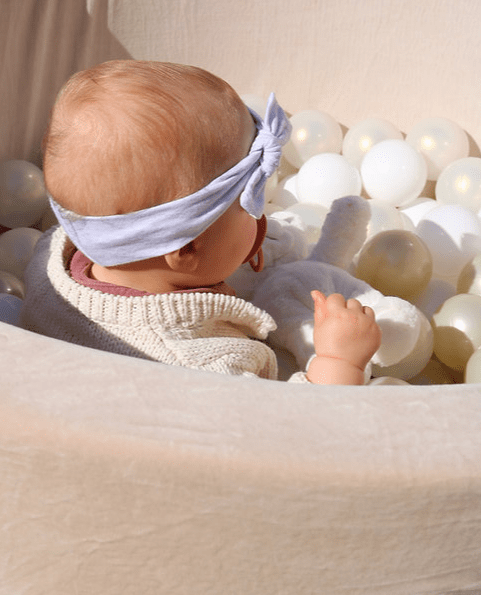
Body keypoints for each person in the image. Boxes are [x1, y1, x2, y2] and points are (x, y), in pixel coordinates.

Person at [22, 60, 381, 384]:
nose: (262, 212)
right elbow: (286, 438)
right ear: (188, 247)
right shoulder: (205, 367)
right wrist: (339, 363)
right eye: (250, 199)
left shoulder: (52, 257)